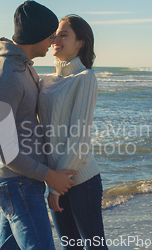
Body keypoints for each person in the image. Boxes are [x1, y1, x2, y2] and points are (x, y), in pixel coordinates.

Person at [0, 1, 77, 249]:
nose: (52, 41)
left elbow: (11, 130)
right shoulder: (5, 77)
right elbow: (3, 150)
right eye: (50, 35)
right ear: (36, 35)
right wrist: (50, 176)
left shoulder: (23, 69)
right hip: (17, 184)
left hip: (23, 181)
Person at [38, 15, 108, 250]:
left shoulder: (85, 78)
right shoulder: (44, 81)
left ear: (80, 42)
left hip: (82, 182)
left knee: (95, 247)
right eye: (55, 34)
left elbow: (78, 137)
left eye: (64, 34)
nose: (56, 39)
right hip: (55, 179)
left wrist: (57, 186)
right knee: (71, 248)